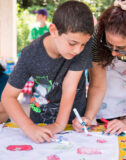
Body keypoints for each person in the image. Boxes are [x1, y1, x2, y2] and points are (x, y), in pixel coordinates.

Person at [1, 1, 94, 143]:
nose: (77, 50)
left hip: (74, 124)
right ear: (53, 30)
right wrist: (29, 127)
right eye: (72, 43)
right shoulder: (30, 54)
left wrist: (59, 125)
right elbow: (8, 97)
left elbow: (70, 86)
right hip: (40, 122)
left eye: (83, 44)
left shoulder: (83, 45)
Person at [72, 0, 126, 135]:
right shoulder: (96, 38)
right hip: (111, 72)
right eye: (109, 44)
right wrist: (89, 117)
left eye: (121, 48)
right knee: (110, 124)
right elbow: (98, 85)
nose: (113, 53)